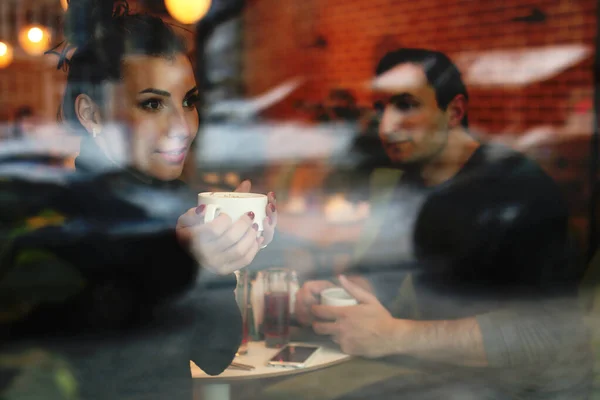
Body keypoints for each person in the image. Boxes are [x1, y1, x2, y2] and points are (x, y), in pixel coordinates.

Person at [0, 1, 277, 399]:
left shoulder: (174, 205)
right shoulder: (59, 222)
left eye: (189, 101)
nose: (182, 127)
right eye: (152, 103)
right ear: (92, 116)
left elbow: (215, 355)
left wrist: (215, 265)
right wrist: (182, 260)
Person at [294, 48, 591, 399]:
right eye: (380, 108)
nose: (387, 126)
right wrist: (328, 295)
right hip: (442, 376)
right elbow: (381, 280)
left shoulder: (518, 187)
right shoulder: (408, 183)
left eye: (406, 105)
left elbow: (549, 332)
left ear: (454, 111)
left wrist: (397, 335)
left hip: (532, 388)